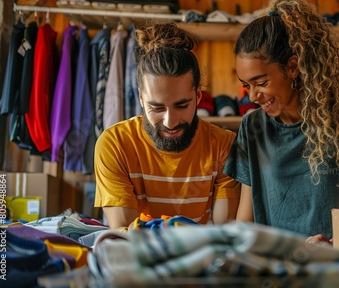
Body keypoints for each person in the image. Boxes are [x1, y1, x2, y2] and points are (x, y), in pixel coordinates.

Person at [224, 0, 339, 242]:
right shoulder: (253, 126)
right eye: (245, 85)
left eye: (261, 83)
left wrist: (337, 244)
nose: (252, 96)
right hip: (279, 269)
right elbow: (245, 221)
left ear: (292, 67)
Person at [94, 22, 240, 230]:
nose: (170, 122)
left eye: (182, 105)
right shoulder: (114, 144)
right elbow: (125, 233)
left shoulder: (224, 145)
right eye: (157, 107)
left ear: (198, 96)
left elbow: (223, 231)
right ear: (141, 98)